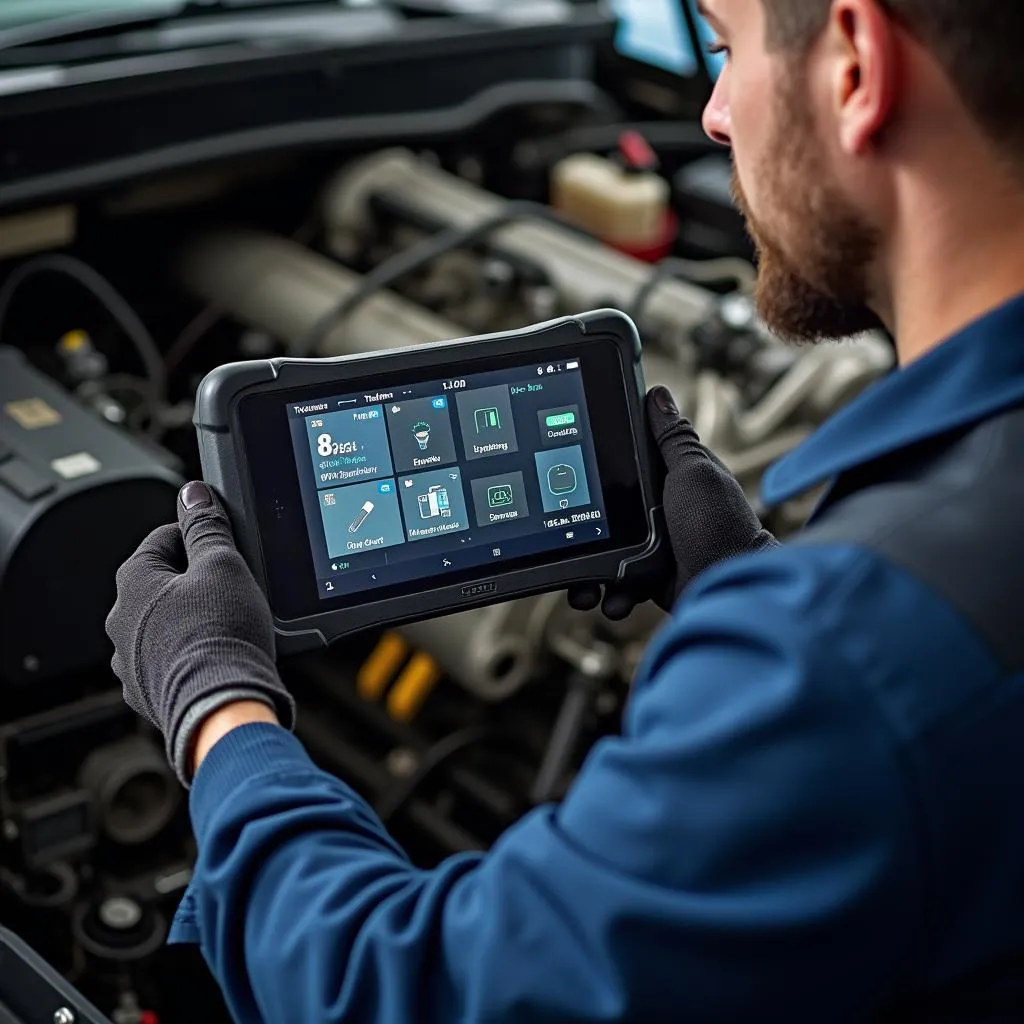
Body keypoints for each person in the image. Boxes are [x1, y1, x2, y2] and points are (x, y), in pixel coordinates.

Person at [107, 0, 1024, 1019]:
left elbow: (411, 991)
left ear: (855, 63)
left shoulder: (843, 664)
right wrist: (742, 579)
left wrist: (213, 708)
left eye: (723, 48)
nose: (713, 113)